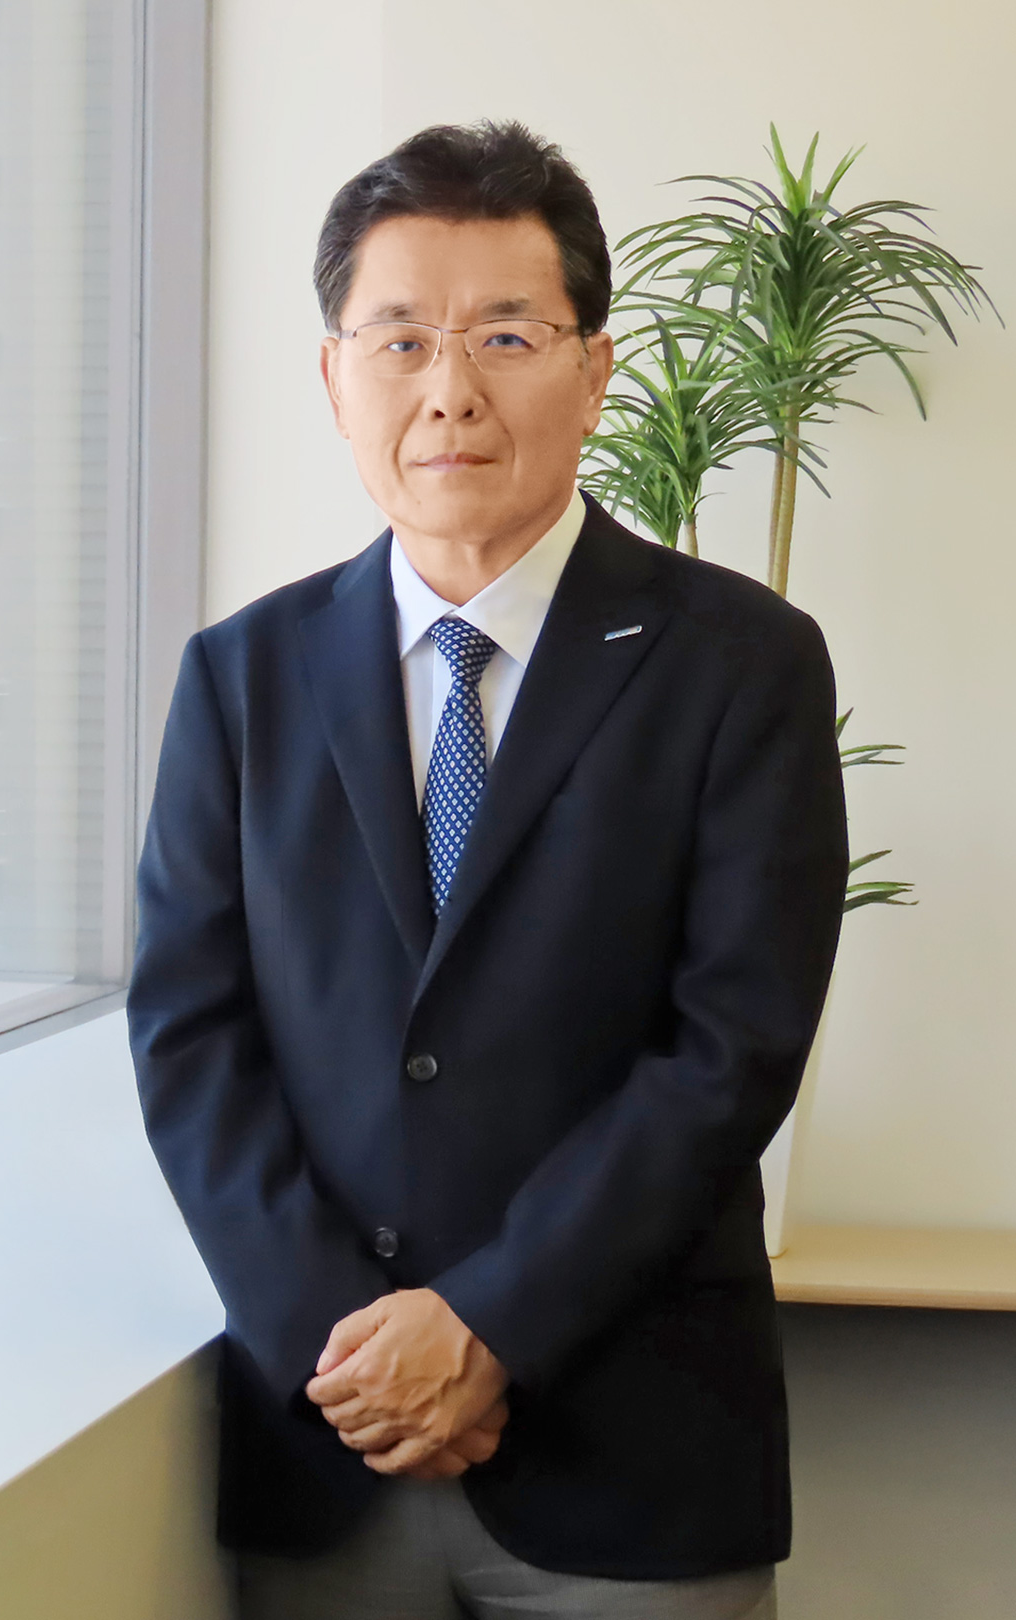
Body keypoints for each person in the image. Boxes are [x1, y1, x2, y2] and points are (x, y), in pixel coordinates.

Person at [127, 120, 847, 1620]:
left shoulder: (743, 663)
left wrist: (489, 1325)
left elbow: (731, 1047)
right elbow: (191, 1039)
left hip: (636, 1455)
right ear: (335, 378)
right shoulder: (241, 678)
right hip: (330, 1447)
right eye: (399, 339)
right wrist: (350, 1349)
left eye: (506, 335)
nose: (449, 388)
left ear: (594, 369)